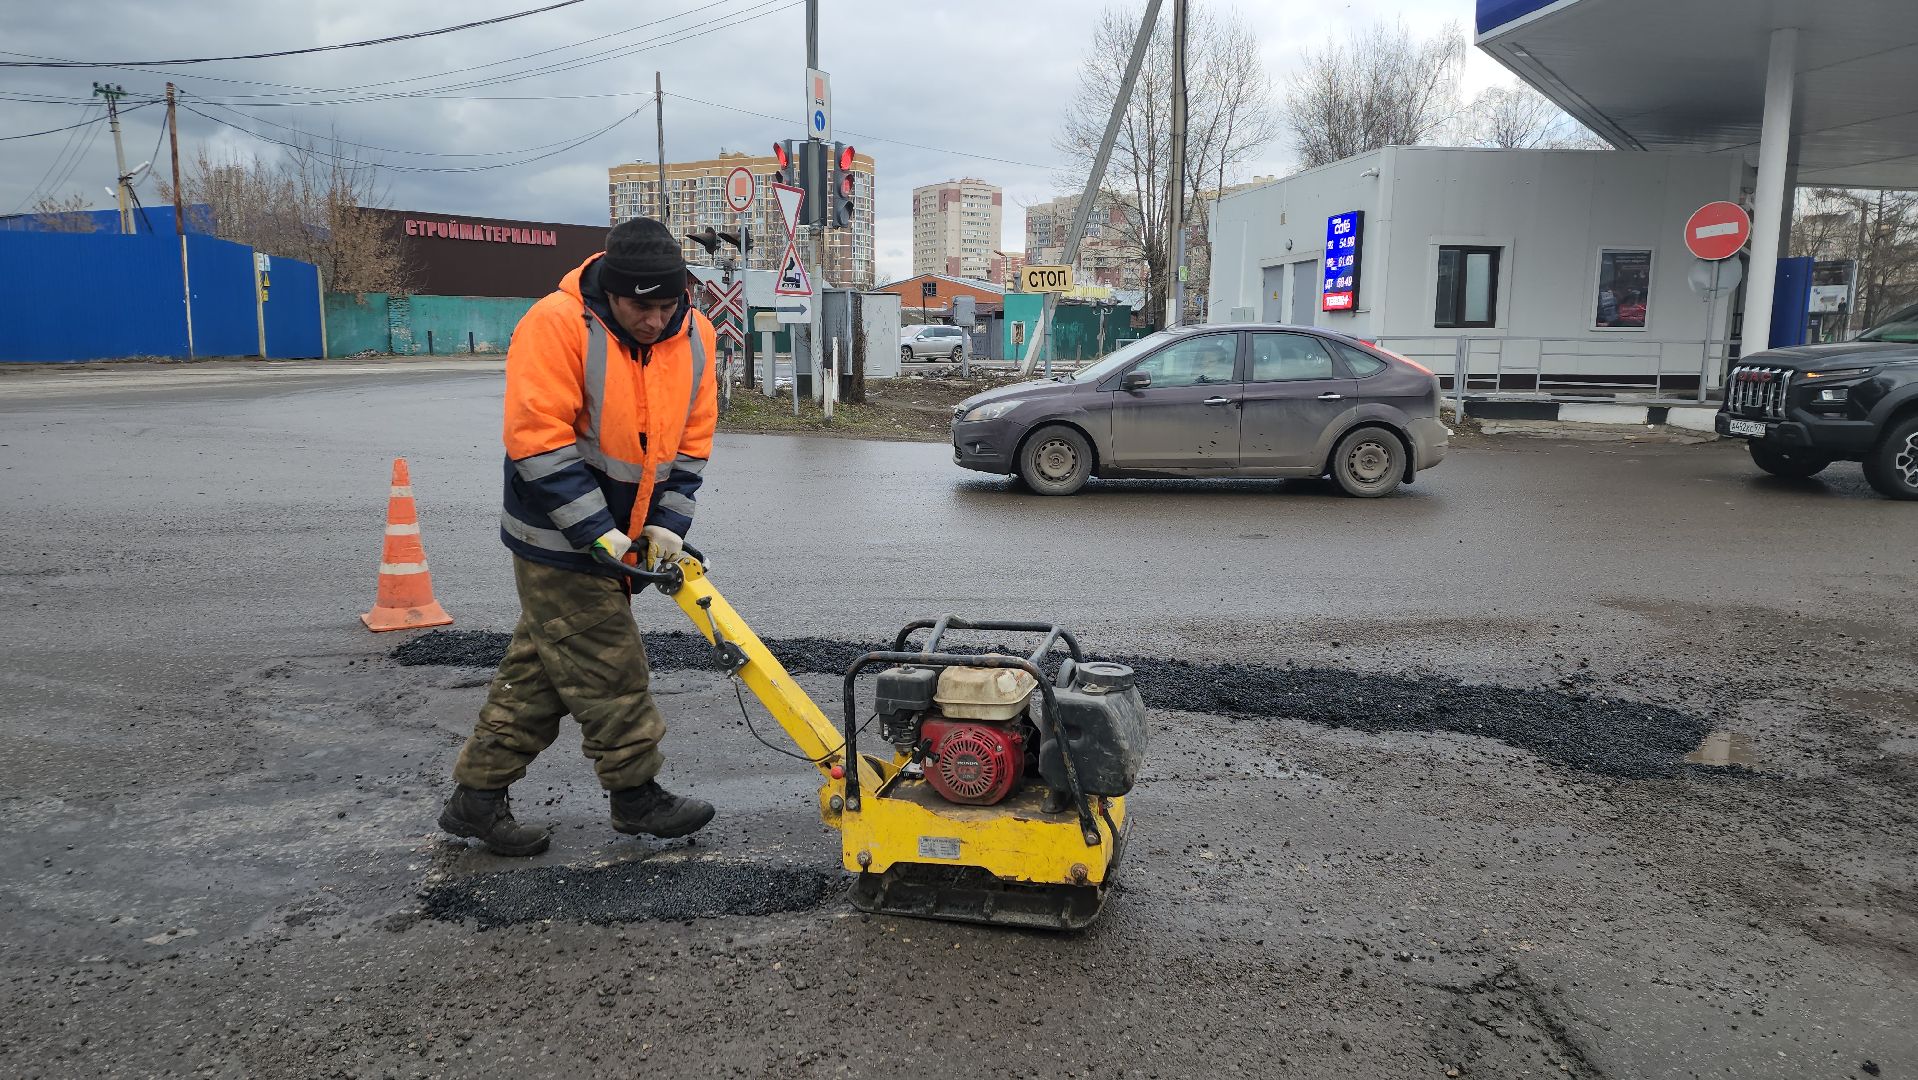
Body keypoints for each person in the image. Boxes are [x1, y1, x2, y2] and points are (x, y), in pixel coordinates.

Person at [438, 217, 718, 856]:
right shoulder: (556, 323)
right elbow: (538, 439)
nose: (652, 320)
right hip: (556, 535)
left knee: (544, 669)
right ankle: (636, 794)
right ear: (609, 293)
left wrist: (665, 528)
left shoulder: (696, 337)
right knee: (608, 664)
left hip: (624, 536)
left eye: (665, 305)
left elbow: (692, 445)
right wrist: (600, 533)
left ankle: (476, 798)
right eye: (637, 306)